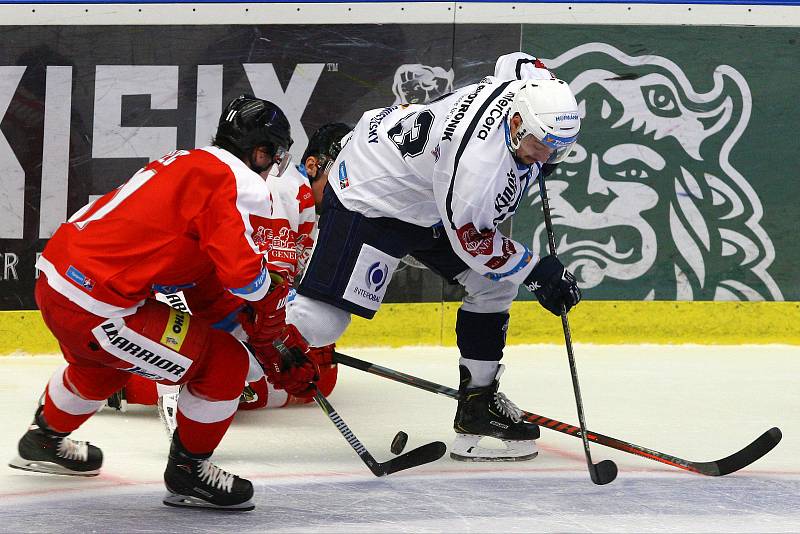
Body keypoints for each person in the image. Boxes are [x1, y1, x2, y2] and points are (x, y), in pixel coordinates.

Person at [8, 94, 319, 511]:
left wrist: (269, 342)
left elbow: (203, 283)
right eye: (272, 155)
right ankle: (189, 472)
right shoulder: (236, 181)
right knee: (223, 363)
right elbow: (247, 278)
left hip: (58, 282)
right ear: (260, 152)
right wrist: (273, 329)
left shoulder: (189, 163)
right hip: (99, 305)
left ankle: (42, 440)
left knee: (100, 367)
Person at [287, 54, 582, 461]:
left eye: (557, 150)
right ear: (516, 125)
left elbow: (514, 62)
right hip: (371, 194)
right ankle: (215, 362)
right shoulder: (479, 169)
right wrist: (539, 272)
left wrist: (545, 85)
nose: (545, 158)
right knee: (321, 323)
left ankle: (478, 406)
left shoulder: (526, 92)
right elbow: (473, 244)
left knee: (493, 285)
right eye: (539, 146)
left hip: (420, 191)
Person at [105, 123, 353, 418]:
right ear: (313, 165)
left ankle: (147, 374)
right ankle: (134, 380)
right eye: (345, 177)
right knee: (313, 353)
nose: (351, 190)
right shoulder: (286, 187)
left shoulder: (302, 198)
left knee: (321, 369)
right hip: (193, 300)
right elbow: (256, 286)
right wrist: (282, 344)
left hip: (198, 299)